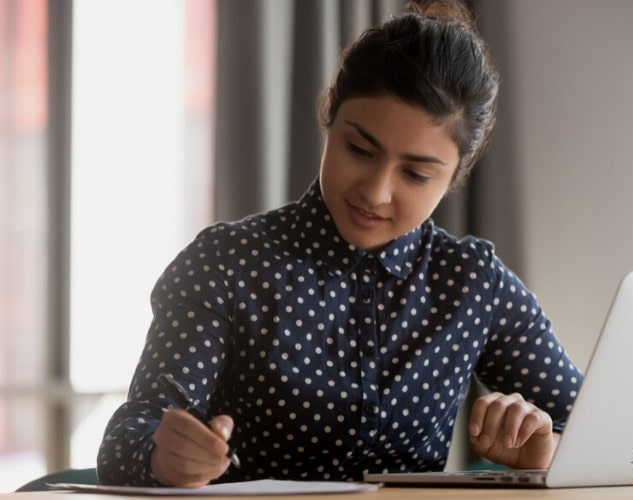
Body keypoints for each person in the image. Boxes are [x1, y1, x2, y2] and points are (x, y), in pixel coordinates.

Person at [97, 0, 583, 488]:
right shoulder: (227, 263)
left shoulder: (473, 283)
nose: (375, 192)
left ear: (458, 173)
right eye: (359, 150)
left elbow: (612, 437)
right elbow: (129, 437)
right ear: (329, 111)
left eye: (415, 173)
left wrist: (549, 450)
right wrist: (165, 457)